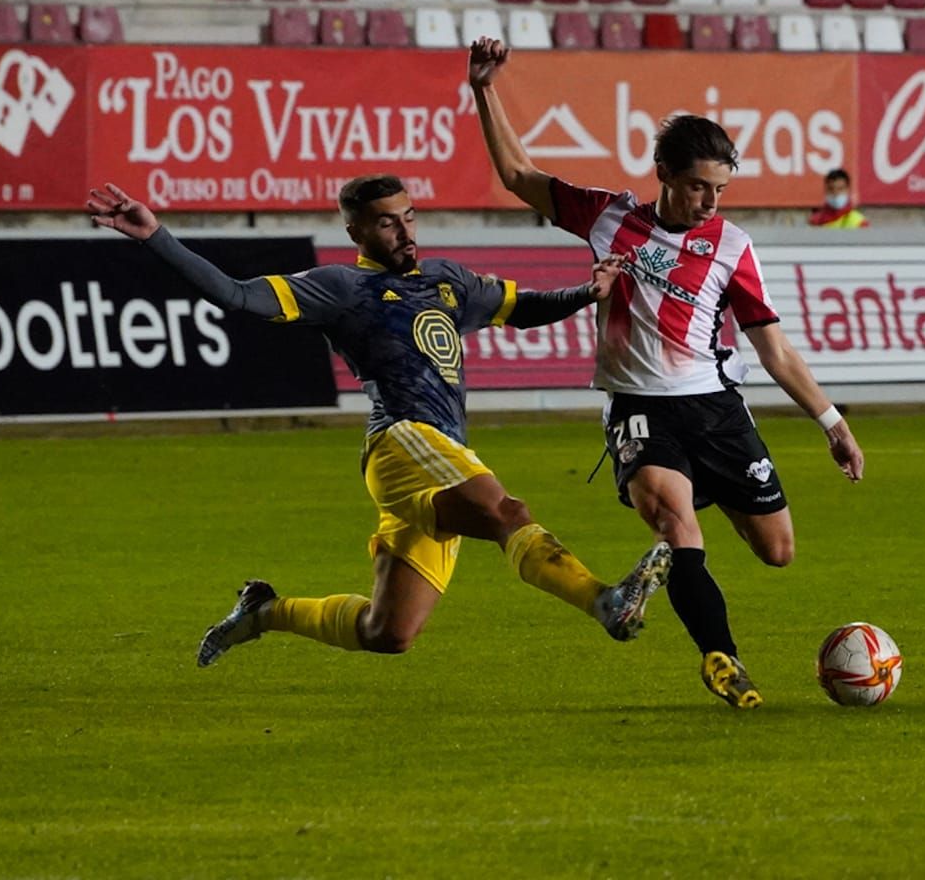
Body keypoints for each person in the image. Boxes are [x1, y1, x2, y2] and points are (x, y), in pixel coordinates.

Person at [85, 176, 672, 667]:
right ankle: (605, 601)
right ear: (357, 232)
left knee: (387, 632)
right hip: (403, 440)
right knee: (507, 514)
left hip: (434, 455)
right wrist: (155, 237)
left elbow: (519, 307)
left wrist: (586, 292)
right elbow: (238, 296)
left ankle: (261, 611)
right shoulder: (342, 288)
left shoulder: (448, 280)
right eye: (388, 222)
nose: (404, 230)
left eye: (410, 216)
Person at [467, 38, 866, 710]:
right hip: (638, 409)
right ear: (663, 173)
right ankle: (722, 659)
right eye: (697, 186)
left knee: (776, 550)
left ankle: (691, 542)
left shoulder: (733, 247)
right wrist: (483, 88)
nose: (710, 201)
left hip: (715, 406)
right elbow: (516, 174)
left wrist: (832, 423)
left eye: (720, 189)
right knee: (678, 528)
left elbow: (774, 348)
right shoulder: (608, 218)